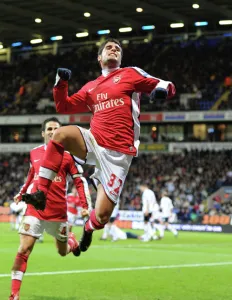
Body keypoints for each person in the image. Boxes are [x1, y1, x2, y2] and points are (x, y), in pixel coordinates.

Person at [22, 38, 176, 253]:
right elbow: (63, 106)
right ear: (99, 58)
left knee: (102, 216)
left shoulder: (130, 74)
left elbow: (165, 85)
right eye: (108, 48)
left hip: (119, 155)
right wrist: (60, 83)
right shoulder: (90, 87)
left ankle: (88, 228)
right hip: (94, 140)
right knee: (59, 135)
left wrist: (162, 92)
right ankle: (41, 193)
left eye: (117, 49)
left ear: (120, 57)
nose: (113, 50)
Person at [9, 117, 91, 300]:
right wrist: (22, 192)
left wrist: (85, 206)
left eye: (56, 129)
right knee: (23, 249)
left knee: (62, 252)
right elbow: (32, 174)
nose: (53, 131)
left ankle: (72, 242)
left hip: (58, 212)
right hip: (35, 209)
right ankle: (14, 295)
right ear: (43, 133)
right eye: (49, 128)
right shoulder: (34, 153)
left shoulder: (69, 156)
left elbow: (79, 181)